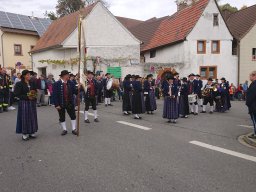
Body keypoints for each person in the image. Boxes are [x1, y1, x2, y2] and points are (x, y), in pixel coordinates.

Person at [14, 70, 38, 141]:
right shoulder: (19, 84)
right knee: (25, 117)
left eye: (30, 75)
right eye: (28, 75)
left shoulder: (32, 82)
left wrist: (34, 94)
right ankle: (24, 133)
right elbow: (16, 94)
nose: (29, 76)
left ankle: (31, 132)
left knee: (32, 117)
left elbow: (35, 90)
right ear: (24, 76)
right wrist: (27, 96)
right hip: (24, 103)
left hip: (32, 103)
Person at [53, 70, 78, 136]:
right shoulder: (56, 84)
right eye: (68, 75)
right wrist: (56, 104)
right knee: (62, 117)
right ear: (64, 76)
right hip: (60, 103)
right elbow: (54, 95)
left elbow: (75, 92)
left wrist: (79, 88)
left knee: (73, 116)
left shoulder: (71, 83)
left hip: (70, 103)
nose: (69, 76)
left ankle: (73, 129)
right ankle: (64, 129)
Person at [246, 71, 256, 139]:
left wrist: (248, 103)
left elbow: (251, 95)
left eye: (250, 76)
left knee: (255, 120)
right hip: (253, 105)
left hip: (253, 106)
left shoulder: (254, 84)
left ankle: (255, 134)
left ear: (254, 76)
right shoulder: (253, 83)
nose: (249, 77)